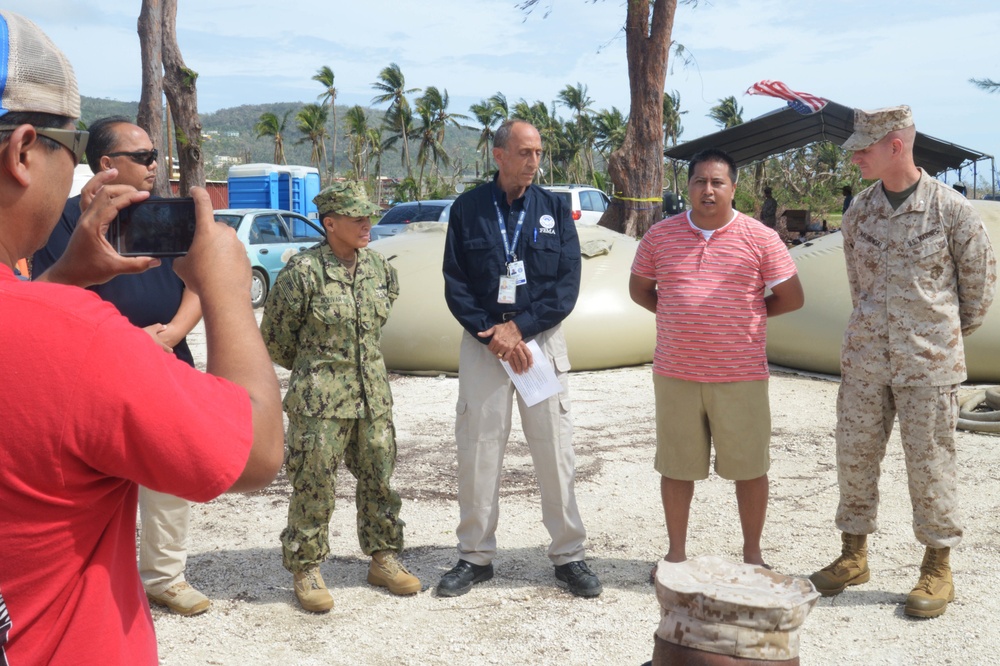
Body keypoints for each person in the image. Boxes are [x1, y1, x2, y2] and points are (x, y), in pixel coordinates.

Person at [0, 10, 283, 664]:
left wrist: (61, 281)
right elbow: (259, 448)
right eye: (65, 147)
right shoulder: (72, 339)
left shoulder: (49, 313)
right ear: (22, 152)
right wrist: (227, 293)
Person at [809, 106, 996, 618]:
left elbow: (978, 292)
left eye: (863, 148)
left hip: (928, 364)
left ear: (896, 145)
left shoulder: (951, 210)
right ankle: (853, 556)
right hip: (867, 359)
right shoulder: (858, 212)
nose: (854, 156)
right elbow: (859, 286)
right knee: (854, 456)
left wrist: (935, 334)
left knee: (931, 466)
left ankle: (937, 567)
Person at [32, 115, 211, 617]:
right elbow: (56, 289)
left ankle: (165, 576)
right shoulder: (63, 221)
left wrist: (173, 334)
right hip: (94, 366)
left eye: (157, 157)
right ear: (107, 164)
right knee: (90, 481)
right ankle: (86, 577)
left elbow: (198, 282)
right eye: (146, 157)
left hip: (167, 358)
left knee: (169, 475)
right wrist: (125, 343)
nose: (157, 166)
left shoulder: (169, 216)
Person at [439, 119, 601, 598]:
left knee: (555, 447)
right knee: (478, 448)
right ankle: (475, 556)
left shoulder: (553, 208)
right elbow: (456, 282)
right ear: (499, 156)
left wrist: (521, 329)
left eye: (538, 153)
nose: (533, 162)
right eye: (524, 152)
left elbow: (566, 285)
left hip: (540, 343)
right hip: (486, 344)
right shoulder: (468, 209)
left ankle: (569, 555)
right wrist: (493, 335)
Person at [629, 148, 804, 570]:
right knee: (676, 467)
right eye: (699, 182)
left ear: (733, 187)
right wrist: (678, 315)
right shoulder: (660, 236)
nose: (708, 190)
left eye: (717, 182)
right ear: (687, 187)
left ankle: (753, 555)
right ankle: (675, 554)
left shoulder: (761, 238)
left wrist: (745, 316)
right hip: (676, 373)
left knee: (749, 468)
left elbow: (791, 297)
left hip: (739, 374)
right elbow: (640, 290)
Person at [260, 181, 420, 613]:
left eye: (369, 215)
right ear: (330, 224)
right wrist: (318, 370)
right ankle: (306, 566)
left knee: (380, 480)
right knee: (313, 484)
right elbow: (275, 339)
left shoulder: (379, 270)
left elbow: (376, 323)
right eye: (357, 218)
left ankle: (383, 557)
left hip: (373, 399)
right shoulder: (303, 273)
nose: (367, 223)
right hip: (321, 405)